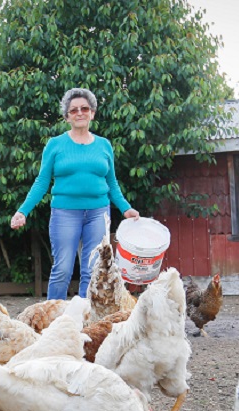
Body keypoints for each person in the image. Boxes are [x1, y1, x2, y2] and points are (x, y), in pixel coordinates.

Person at [10, 87, 140, 300]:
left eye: (85, 108)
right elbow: (42, 182)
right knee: (62, 270)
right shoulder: (55, 145)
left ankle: (85, 323)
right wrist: (22, 211)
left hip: (98, 212)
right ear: (67, 117)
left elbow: (112, 183)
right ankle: (52, 321)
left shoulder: (104, 145)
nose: (80, 113)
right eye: (74, 110)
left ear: (92, 113)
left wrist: (126, 208)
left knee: (91, 271)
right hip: (65, 213)